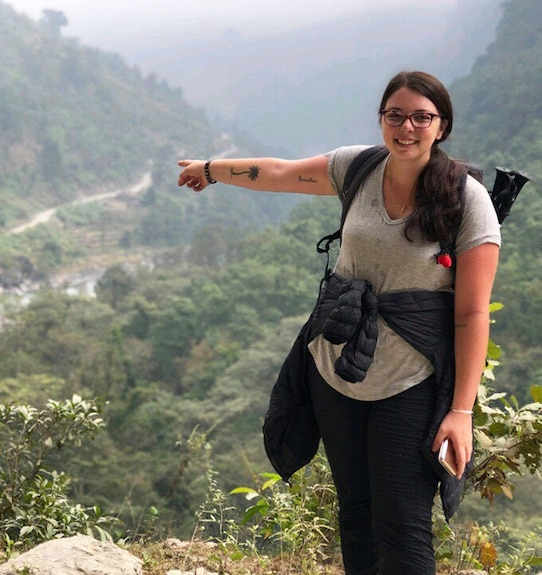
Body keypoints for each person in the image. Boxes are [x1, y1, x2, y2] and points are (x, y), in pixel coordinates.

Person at [177, 70, 500, 574]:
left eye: (422, 117)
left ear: (442, 126)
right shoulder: (359, 168)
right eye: (396, 115)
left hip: (410, 379)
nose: (407, 127)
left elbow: (471, 313)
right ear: (382, 119)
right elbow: (281, 172)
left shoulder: (466, 200)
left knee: (403, 521)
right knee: (356, 512)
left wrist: (461, 411)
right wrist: (212, 168)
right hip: (336, 367)